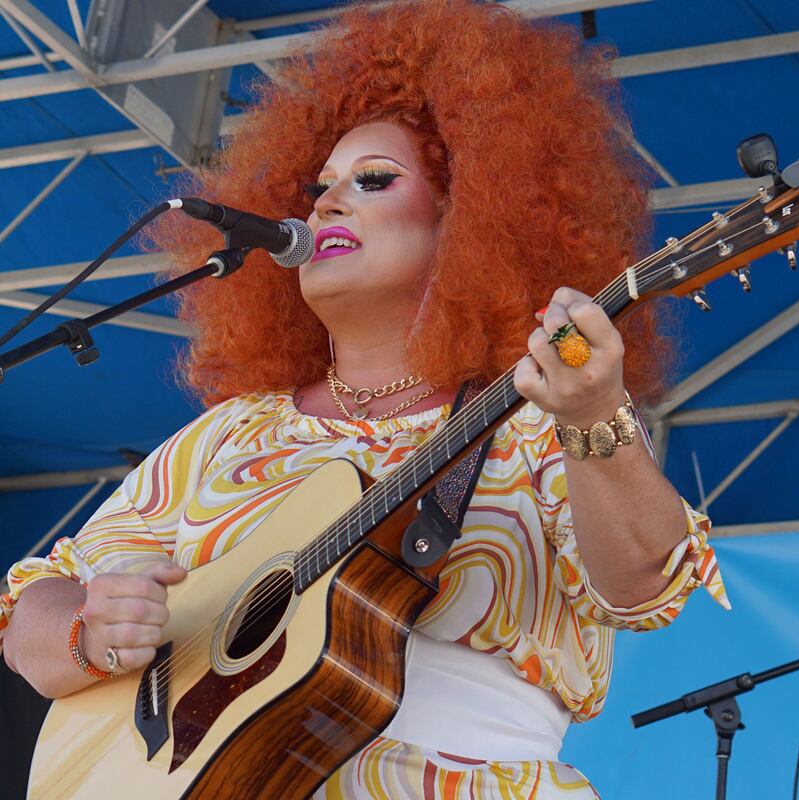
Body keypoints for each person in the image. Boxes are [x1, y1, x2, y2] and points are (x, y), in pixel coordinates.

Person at [1, 0, 728, 796]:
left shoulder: (536, 408)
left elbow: (646, 587)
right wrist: (85, 632)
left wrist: (594, 421)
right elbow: (30, 604)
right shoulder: (229, 435)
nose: (325, 204)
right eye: (318, 187)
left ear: (471, 216)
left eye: (373, 181)